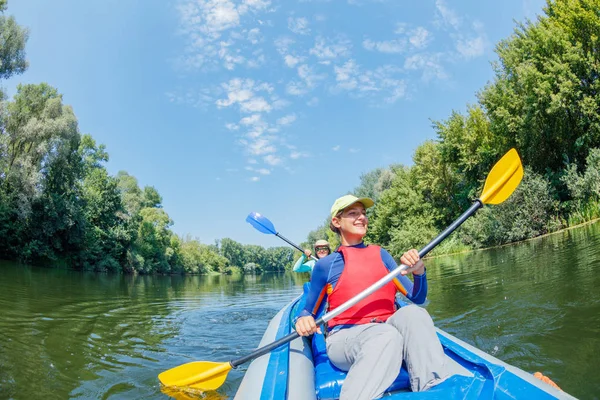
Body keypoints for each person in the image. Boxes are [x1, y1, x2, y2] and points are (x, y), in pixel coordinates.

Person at [295, 195, 448, 400]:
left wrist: (419, 271)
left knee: (415, 314)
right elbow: (308, 311)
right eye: (353, 213)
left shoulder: (382, 255)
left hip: (387, 328)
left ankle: (433, 391)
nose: (361, 218)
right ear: (336, 222)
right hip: (345, 337)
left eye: (364, 213)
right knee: (385, 335)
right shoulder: (326, 265)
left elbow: (417, 297)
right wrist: (304, 319)